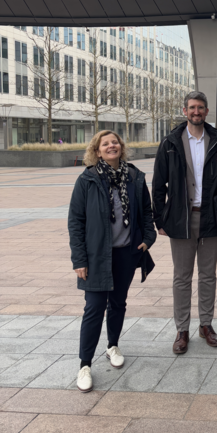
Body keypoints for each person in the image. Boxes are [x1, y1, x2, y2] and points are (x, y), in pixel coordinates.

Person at [68, 130, 156, 393]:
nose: (111, 146)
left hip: (126, 253)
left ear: (121, 146)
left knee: (118, 303)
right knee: (94, 308)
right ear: (97, 151)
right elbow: (76, 222)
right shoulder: (88, 180)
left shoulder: (134, 176)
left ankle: (112, 345)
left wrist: (147, 239)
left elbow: (147, 212)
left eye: (114, 142)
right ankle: (84, 365)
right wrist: (79, 259)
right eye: (105, 144)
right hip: (96, 256)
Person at [152, 91, 217, 354]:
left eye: (201, 107)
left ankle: (206, 325)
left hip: (211, 219)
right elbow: (158, 184)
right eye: (192, 107)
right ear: (184, 110)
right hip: (181, 220)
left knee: (208, 276)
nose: (197, 111)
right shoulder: (170, 142)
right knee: (181, 277)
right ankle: (182, 328)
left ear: (207, 111)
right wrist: (159, 217)